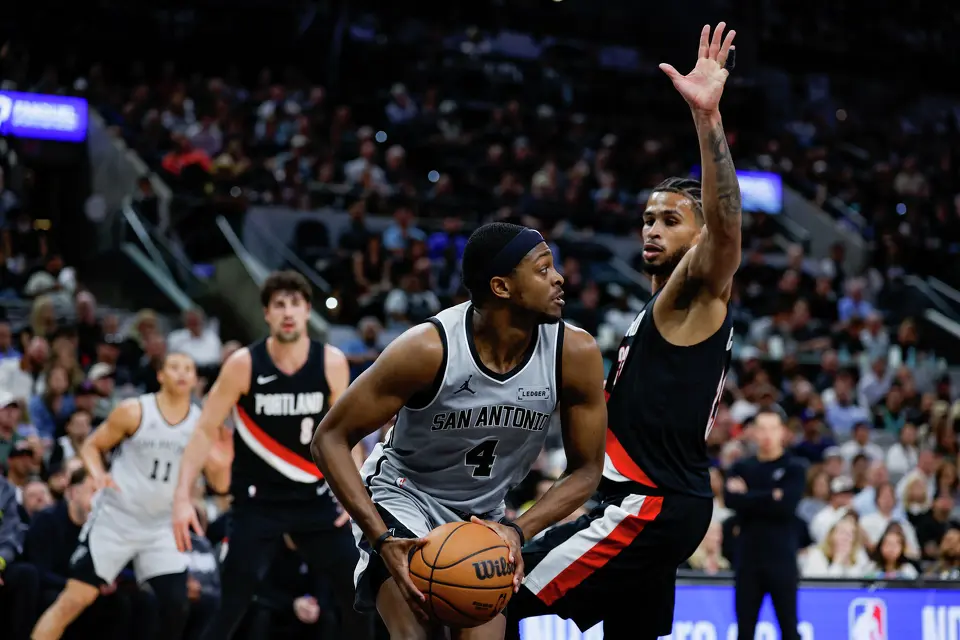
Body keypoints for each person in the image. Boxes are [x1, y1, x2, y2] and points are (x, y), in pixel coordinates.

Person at [506, 23, 741, 640]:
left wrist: (708, 120)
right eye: (647, 219)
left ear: (696, 239)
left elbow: (723, 228)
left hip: (647, 504)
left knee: (488, 590)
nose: (652, 230)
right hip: (653, 500)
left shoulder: (696, 291)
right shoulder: (662, 306)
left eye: (670, 220)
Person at [311, 221, 607, 640]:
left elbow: (586, 469)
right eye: (542, 270)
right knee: (418, 635)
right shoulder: (428, 349)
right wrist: (379, 537)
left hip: (483, 516)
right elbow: (329, 438)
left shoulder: (574, 353)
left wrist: (517, 529)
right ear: (502, 287)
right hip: (404, 496)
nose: (559, 278)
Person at [171, 270, 373, 640]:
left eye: (295, 303)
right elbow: (203, 429)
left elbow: (345, 434)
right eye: (279, 304)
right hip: (256, 503)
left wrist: (353, 494)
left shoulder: (330, 361)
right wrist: (183, 496)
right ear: (266, 314)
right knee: (232, 602)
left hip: (314, 501)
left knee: (358, 594)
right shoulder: (244, 364)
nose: (288, 312)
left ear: (307, 310)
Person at [31, 352, 228, 640]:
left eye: (189, 368)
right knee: (72, 602)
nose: (183, 373)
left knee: (177, 607)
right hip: (117, 519)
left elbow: (220, 485)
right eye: (174, 367)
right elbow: (91, 445)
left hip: (161, 527)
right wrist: (97, 473)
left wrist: (222, 463)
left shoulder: (202, 425)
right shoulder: (134, 411)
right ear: (160, 375)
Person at [725, 410, 805, 640]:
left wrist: (748, 496)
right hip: (748, 561)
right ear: (753, 433)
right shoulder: (741, 467)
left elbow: (787, 506)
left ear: (783, 432)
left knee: (789, 629)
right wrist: (771, 496)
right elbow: (731, 500)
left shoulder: (794, 467)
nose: (767, 434)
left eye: (772, 428)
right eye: (762, 428)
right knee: (744, 631)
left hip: (782, 560)